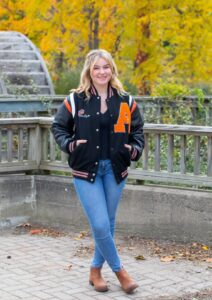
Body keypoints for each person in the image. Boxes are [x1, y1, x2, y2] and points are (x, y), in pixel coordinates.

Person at [51, 49, 144, 294]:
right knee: (101, 225)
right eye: (97, 68)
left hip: (115, 170)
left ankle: (95, 270)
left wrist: (132, 150)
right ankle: (120, 272)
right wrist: (70, 145)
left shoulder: (126, 100)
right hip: (85, 170)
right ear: (89, 72)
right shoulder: (75, 100)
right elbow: (58, 127)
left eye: (106, 67)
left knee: (108, 224)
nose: (102, 72)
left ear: (112, 69)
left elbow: (138, 132)